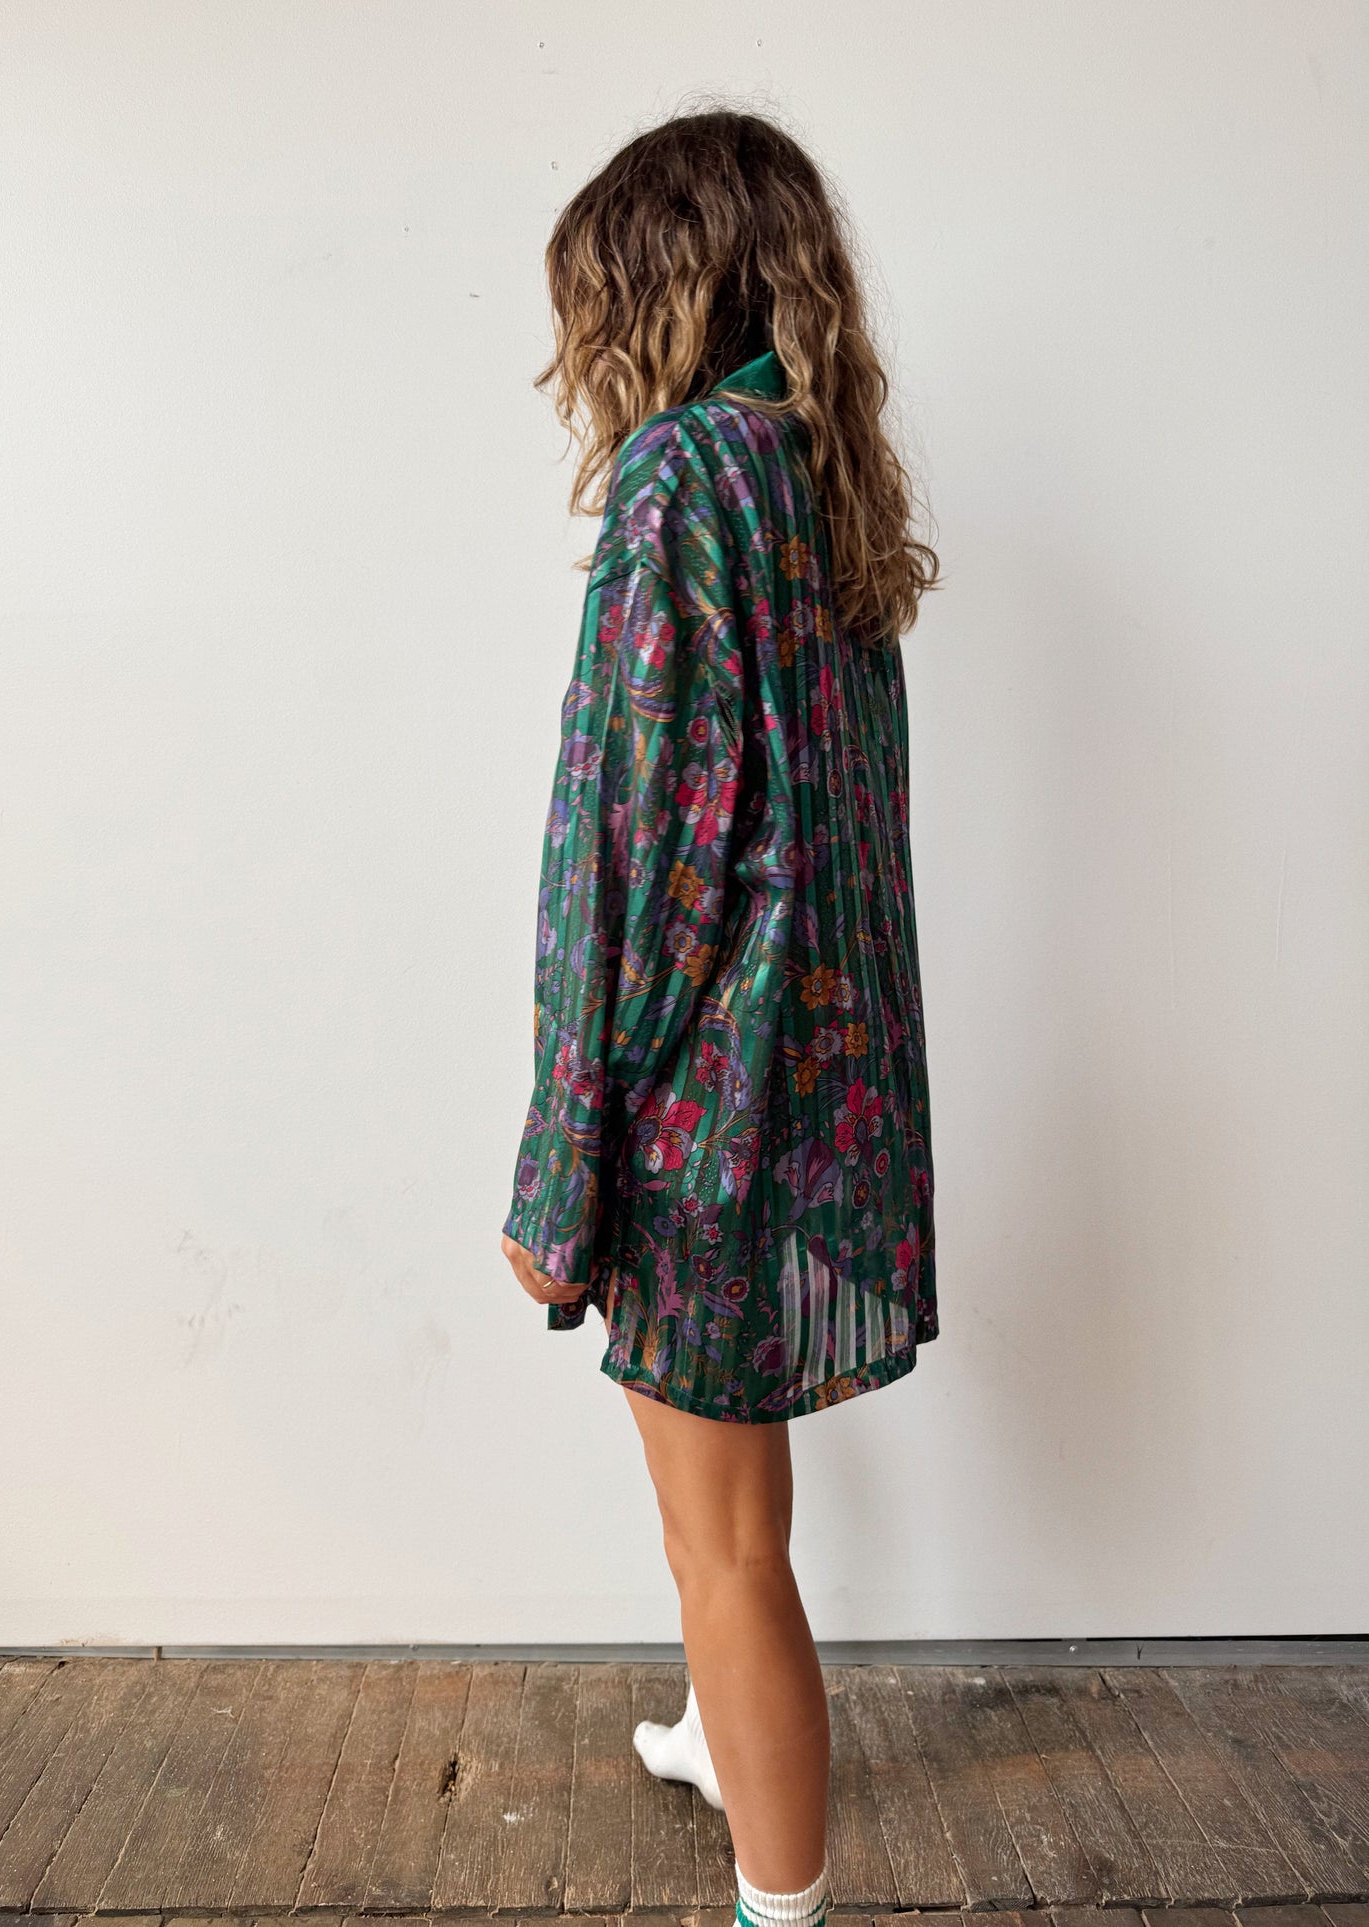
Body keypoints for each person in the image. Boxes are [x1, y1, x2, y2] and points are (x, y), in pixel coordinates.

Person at [500, 106, 940, 1927]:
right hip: (830, 1090)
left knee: (726, 1544)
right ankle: (712, 1730)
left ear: (659, 284)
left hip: (703, 1099)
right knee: (731, 1526)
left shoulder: (681, 479)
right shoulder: (822, 479)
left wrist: (563, 1154)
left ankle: (783, 1906)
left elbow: (632, 841)